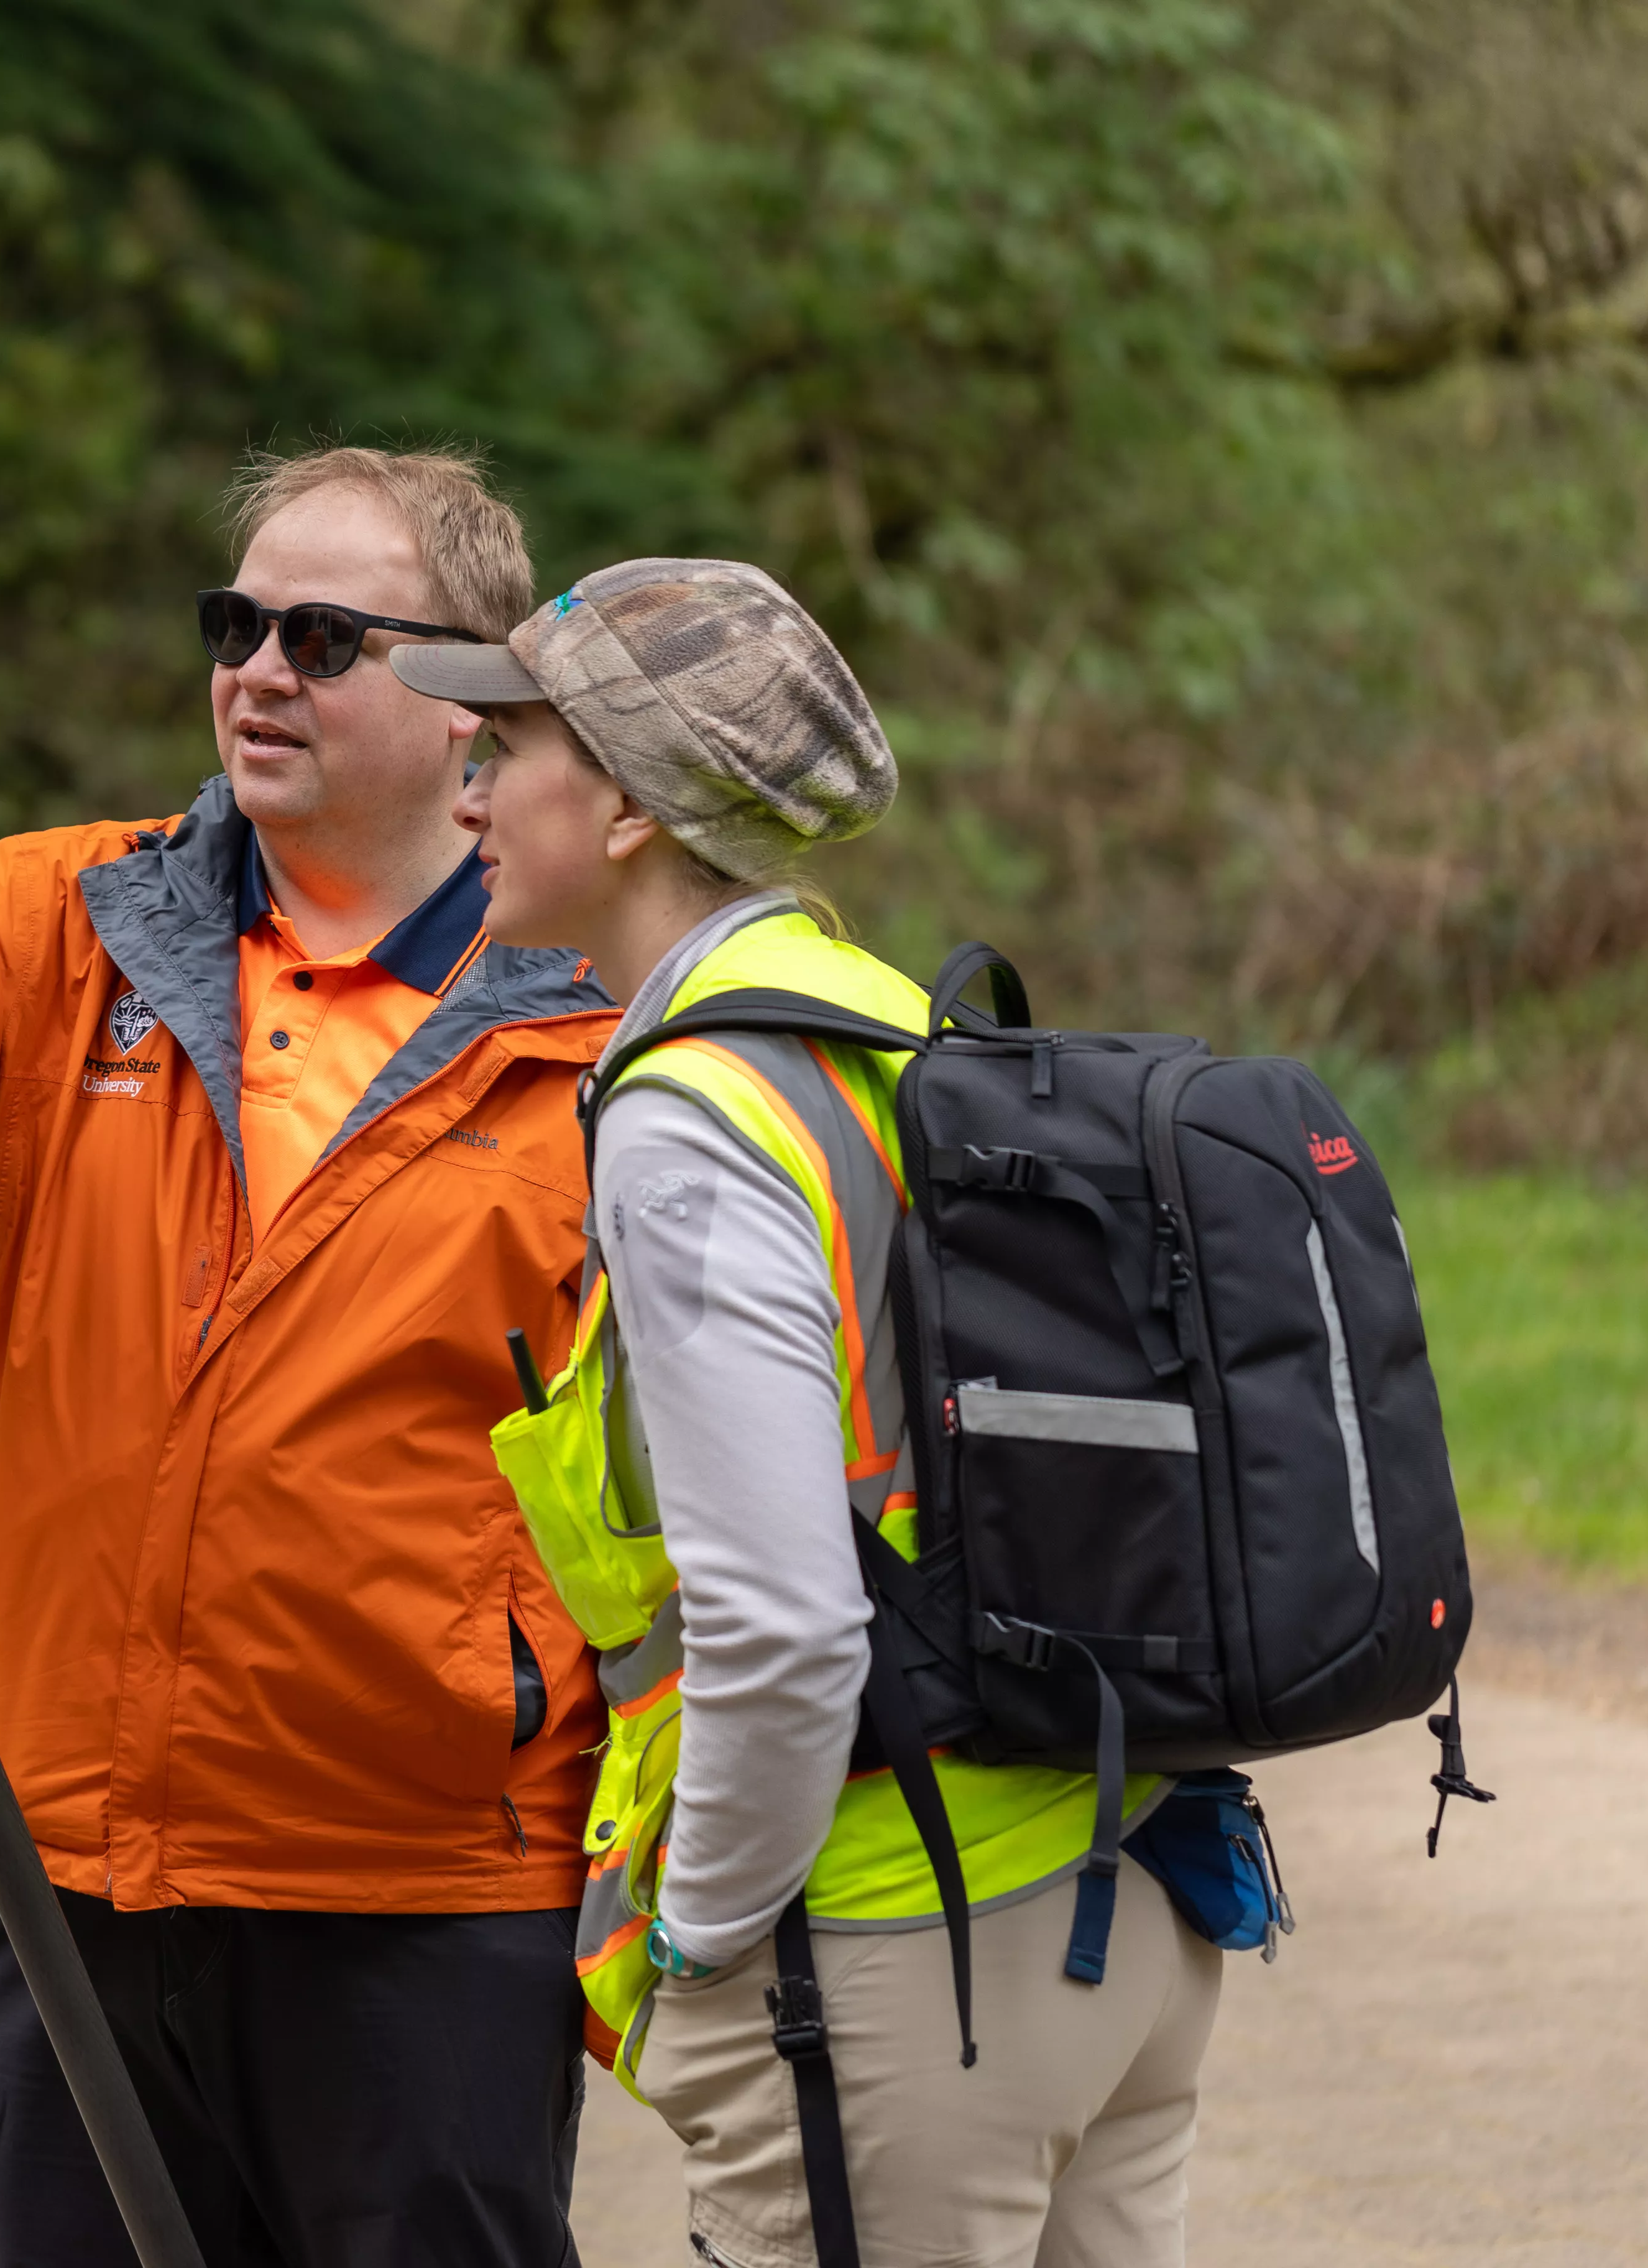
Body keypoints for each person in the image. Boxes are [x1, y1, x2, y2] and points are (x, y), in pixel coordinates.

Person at [0, 448, 620, 2267]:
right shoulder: (81, 923)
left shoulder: (601, 1013)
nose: (259, 671)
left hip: (420, 1883)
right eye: (239, 623)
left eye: (327, 636)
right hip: (72, 1874)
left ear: (473, 709)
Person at [406, 562, 1220, 2268]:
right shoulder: (891, 1029)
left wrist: (698, 1939)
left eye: (510, 745)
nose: (470, 789)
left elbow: (782, 1625)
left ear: (624, 804)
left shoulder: (694, 1112)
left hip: (896, 1949)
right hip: (1105, 1892)